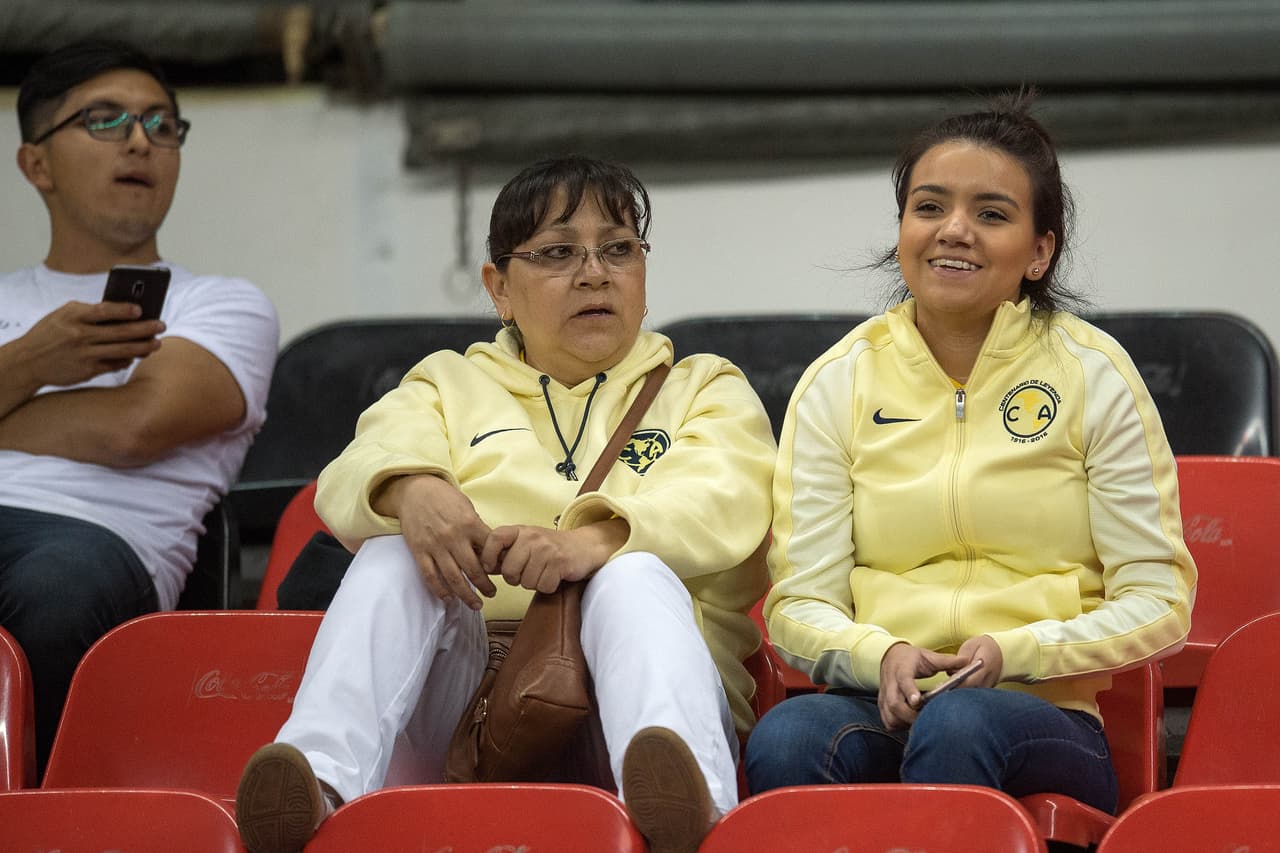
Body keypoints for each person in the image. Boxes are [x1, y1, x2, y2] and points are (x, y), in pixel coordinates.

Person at [234, 155, 775, 853]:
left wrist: (589, 544)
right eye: (558, 253)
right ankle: (315, 786)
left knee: (633, 574)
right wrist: (412, 489)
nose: (594, 273)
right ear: (499, 289)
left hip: (629, 714)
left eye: (618, 249)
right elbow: (347, 476)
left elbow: (728, 501)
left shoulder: (704, 387)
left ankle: (691, 813)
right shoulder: (446, 383)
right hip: (471, 711)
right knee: (395, 553)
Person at [744, 93, 1195, 813]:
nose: (953, 229)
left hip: (1045, 715)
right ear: (902, 231)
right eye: (929, 207)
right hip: (879, 700)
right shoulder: (839, 380)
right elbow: (799, 603)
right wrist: (881, 657)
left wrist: (1018, 652)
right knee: (788, 735)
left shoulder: (1093, 373)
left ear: (1039, 252)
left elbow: (1160, 599)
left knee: (959, 724)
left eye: (990, 213)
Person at [0, 40, 279, 776]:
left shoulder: (219, 304)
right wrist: (33, 361)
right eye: (104, 119)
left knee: (55, 591)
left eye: (161, 124)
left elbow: (133, 428)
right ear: (36, 164)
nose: (138, 141)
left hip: (88, 540)